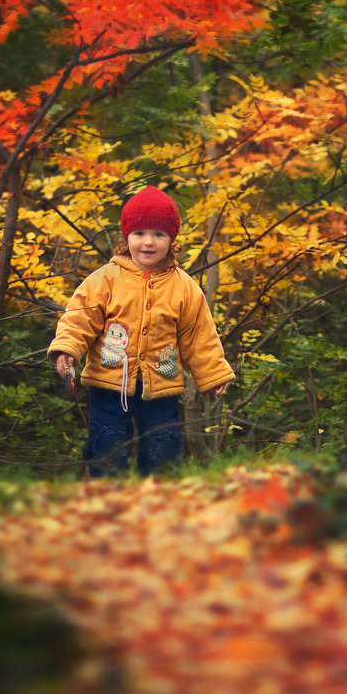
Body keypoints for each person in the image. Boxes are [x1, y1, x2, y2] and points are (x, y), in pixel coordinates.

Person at [48, 185, 234, 477]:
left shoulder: (184, 286)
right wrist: (67, 350)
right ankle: (104, 504)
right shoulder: (105, 279)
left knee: (164, 449)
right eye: (140, 234)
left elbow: (199, 335)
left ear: (172, 240)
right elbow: (79, 319)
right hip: (108, 386)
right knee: (106, 447)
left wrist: (211, 374)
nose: (148, 242)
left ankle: (158, 503)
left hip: (162, 385)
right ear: (127, 238)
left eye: (159, 234)